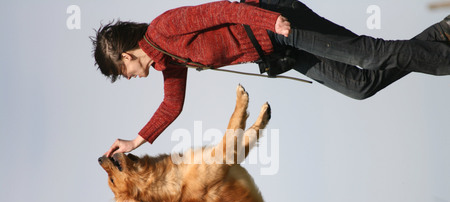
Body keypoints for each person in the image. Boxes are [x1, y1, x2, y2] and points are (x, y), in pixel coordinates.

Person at [91, 0, 450, 157]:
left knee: (366, 54)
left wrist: (269, 22)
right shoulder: (167, 60)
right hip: (280, 52)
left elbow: (221, 9)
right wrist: (135, 141)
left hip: (278, 23)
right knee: (360, 85)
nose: (131, 77)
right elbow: (172, 104)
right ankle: (444, 32)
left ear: (125, 56)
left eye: (122, 73)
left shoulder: (165, 28)